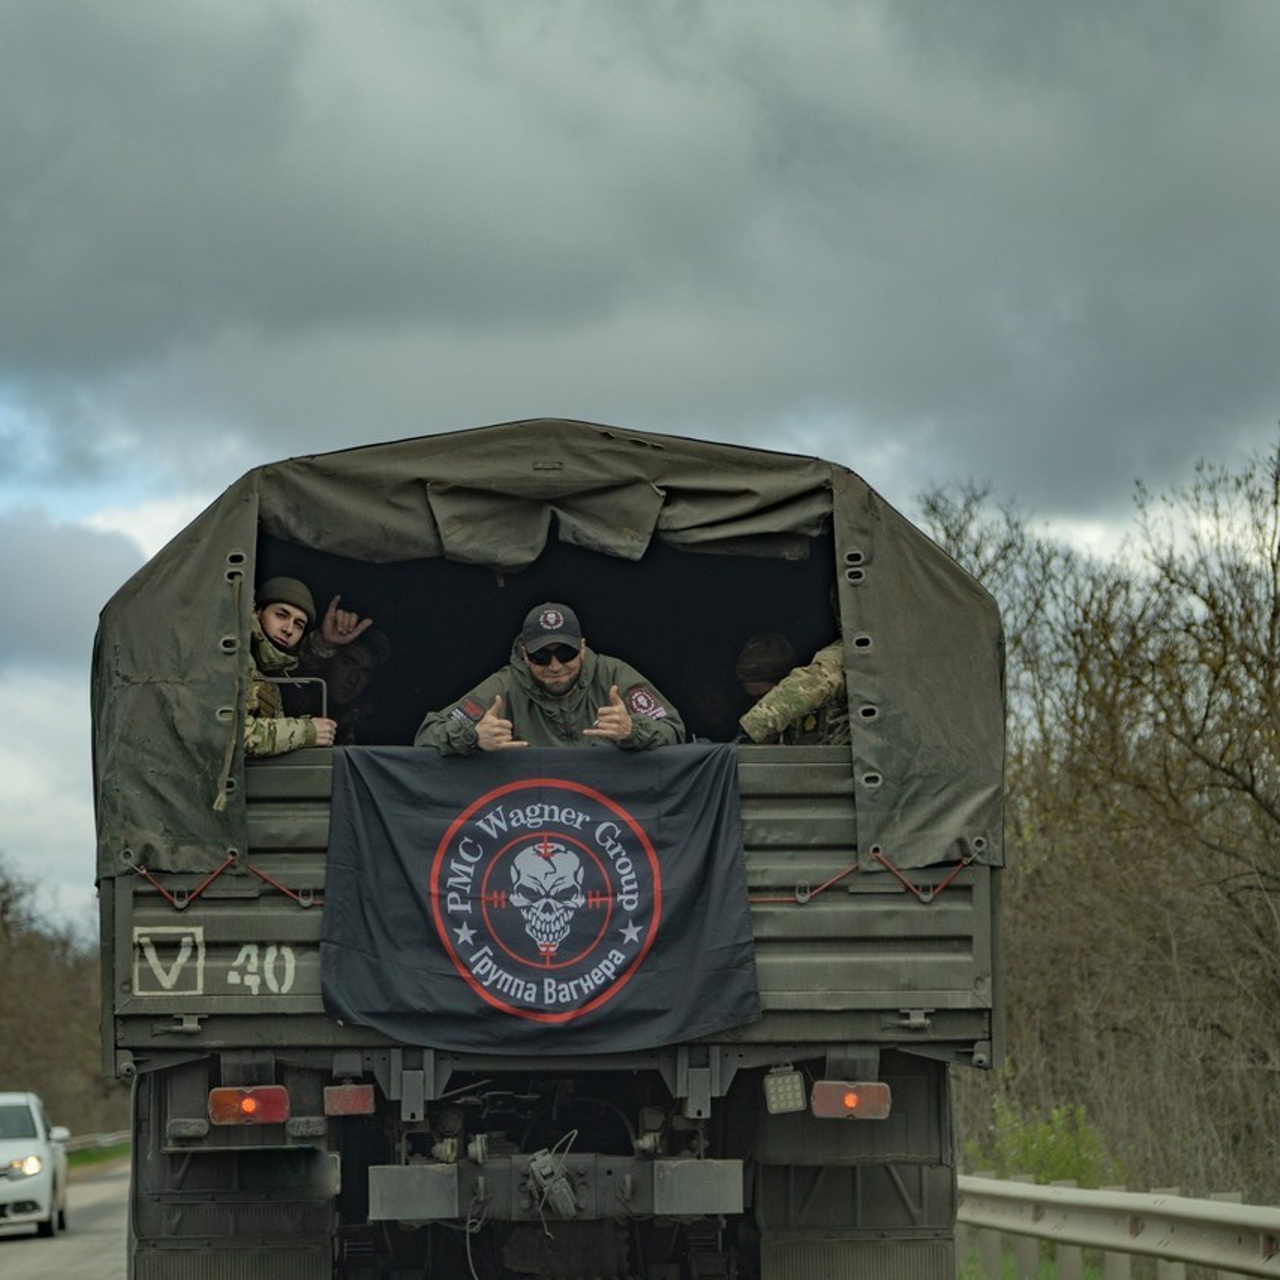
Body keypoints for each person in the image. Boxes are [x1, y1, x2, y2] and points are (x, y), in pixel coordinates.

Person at [414, 602, 686, 753]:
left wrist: (632, 731)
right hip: (534, 812)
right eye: (541, 657)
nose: (555, 666)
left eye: (565, 653)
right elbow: (426, 735)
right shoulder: (504, 687)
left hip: (611, 808)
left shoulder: (613, 675)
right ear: (524, 653)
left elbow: (674, 731)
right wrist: (472, 736)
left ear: (582, 646)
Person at [245, 577, 374, 757]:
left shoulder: (270, 666)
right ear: (258, 612)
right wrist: (308, 732)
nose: (288, 629)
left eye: (299, 624)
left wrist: (325, 643)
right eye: (281, 615)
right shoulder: (233, 659)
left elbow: (291, 670)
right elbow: (233, 736)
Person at [737, 636, 850, 746]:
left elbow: (816, 680)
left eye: (764, 696)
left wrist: (753, 729)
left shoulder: (844, 655)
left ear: (785, 684)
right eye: (753, 698)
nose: (758, 704)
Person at [299, 628, 391, 745]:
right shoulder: (298, 699)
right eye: (347, 663)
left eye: (365, 672)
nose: (353, 680)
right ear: (329, 661)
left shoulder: (368, 723)